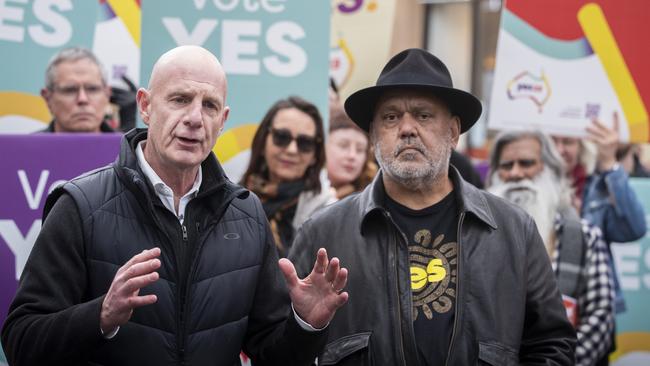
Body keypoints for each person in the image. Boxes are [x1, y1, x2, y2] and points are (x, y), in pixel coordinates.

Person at [1, 46, 349, 366]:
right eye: (180, 99)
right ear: (146, 106)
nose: (195, 118)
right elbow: (21, 342)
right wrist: (100, 316)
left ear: (223, 120)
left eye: (209, 105)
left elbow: (273, 353)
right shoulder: (80, 205)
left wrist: (305, 325)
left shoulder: (247, 214)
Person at [289, 48, 575, 365]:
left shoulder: (513, 230)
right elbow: (277, 352)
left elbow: (552, 345)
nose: (407, 128)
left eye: (423, 115)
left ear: (453, 132)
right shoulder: (324, 234)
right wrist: (303, 328)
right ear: (373, 135)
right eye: (391, 117)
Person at [487, 130, 614, 366]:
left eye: (526, 163)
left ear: (551, 171)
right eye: (506, 165)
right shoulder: (476, 237)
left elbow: (600, 319)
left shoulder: (585, 237)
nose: (515, 174)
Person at [553, 117, 646, 365]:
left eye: (569, 141)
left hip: (594, 319)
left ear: (581, 146)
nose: (561, 149)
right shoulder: (528, 188)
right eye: (555, 141)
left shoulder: (596, 186)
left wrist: (608, 162)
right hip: (544, 319)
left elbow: (635, 228)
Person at [241, 96, 335, 257]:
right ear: (263, 142)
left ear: (314, 156)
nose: (292, 150)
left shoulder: (327, 214)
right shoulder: (234, 201)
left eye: (305, 143)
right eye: (282, 137)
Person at [39, 47, 115, 133]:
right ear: (47, 98)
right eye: (69, 90)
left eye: (92, 89)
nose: (83, 99)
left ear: (107, 94)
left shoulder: (130, 145)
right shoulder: (25, 146)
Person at [326, 106, 376, 199]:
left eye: (360, 149)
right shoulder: (301, 192)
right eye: (343, 145)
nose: (352, 156)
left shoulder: (372, 198)